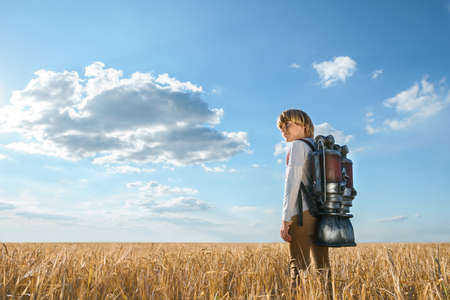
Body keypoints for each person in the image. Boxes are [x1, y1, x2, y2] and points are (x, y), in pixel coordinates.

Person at [277, 109, 331, 293]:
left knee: (298, 267)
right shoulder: (317, 147)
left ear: (304, 126)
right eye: (281, 126)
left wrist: (285, 219)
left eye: (288, 124)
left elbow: (292, 183)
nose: (283, 129)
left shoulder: (297, 146)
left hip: (302, 214)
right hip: (322, 214)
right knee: (323, 267)